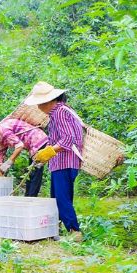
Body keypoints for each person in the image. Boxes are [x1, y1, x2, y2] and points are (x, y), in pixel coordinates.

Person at [25, 81, 84, 240]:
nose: (38, 107)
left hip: (65, 161)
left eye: (39, 104)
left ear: (48, 101)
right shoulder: (62, 111)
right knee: (56, 198)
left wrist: (50, 151)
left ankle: (75, 232)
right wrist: (45, 155)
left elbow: (69, 139)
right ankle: (54, 230)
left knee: (61, 199)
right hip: (61, 162)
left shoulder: (59, 112)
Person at [0, 117, 49, 197]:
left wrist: (8, 162)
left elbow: (19, 146)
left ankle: (31, 198)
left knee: (35, 173)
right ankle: (28, 197)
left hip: (38, 140)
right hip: (32, 145)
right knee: (31, 173)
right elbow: (0, 151)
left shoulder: (4, 130)